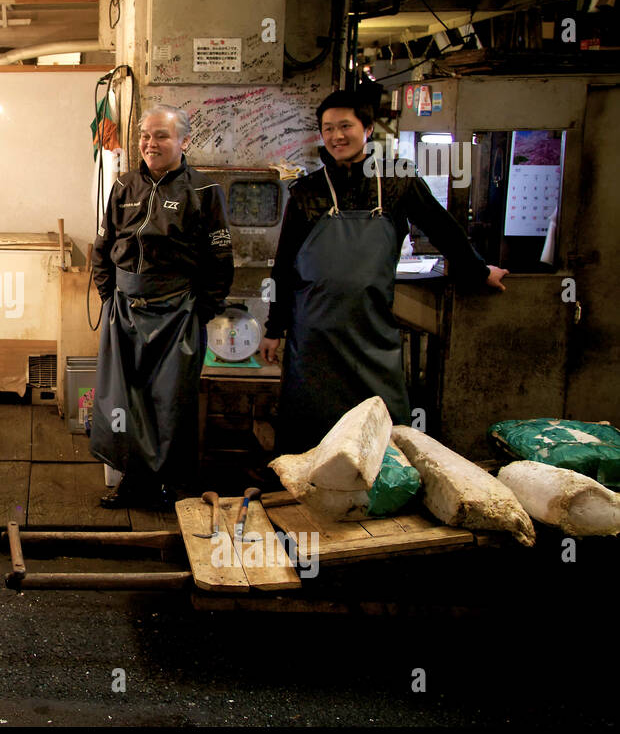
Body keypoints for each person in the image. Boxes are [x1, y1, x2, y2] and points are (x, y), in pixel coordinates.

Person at [258, 90, 509, 454]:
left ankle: (385, 488)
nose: (336, 136)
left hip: (371, 331)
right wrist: (273, 328)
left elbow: (443, 228)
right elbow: (283, 266)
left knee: (384, 427)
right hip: (312, 333)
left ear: (369, 128)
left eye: (346, 126)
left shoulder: (397, 182)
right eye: (328, 129)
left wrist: (478, 270)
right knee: (308, 429)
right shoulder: (306, 192)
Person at [89, 104, 235, 508]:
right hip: (125, 310)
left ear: (184, 142)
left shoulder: (204, 192)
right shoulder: (122, 186)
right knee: (124, 398)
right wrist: (109, 296)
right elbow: (102, 248)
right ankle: (131, 482)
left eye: (162, 136)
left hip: (179, 313)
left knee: (170, 400)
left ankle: (169, 485)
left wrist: (201, 310)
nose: (150, 144)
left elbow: (220, 261)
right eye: (145, 136)